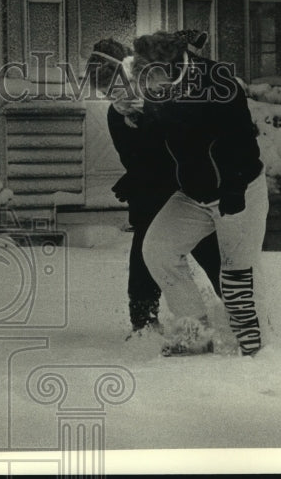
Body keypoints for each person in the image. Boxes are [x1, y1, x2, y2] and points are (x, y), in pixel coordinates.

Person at [128, 30, 268, 357]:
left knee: (236, 278)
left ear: (174, 66)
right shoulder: (158, 88)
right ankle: (196, 334)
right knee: (158, 250)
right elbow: (156, 140)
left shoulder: (219, 84)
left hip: (240, 191)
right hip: (194, 195)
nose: (150, 88)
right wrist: (138, 119)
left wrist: (233, 188)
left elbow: (240, 139)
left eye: (154, 80)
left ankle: (255, 351)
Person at [86, 37, 222, 339]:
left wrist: (150, 116)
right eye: (107, 92)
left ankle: (243, 315)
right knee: (146, 251)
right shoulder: (116, 117)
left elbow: (182, 147)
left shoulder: (163, 97)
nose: (115, 97)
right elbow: (134, 157)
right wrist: (135, 174)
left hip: (191, 190)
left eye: (117, 86)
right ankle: (144, 320)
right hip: (152, 193)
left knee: (213, 253)